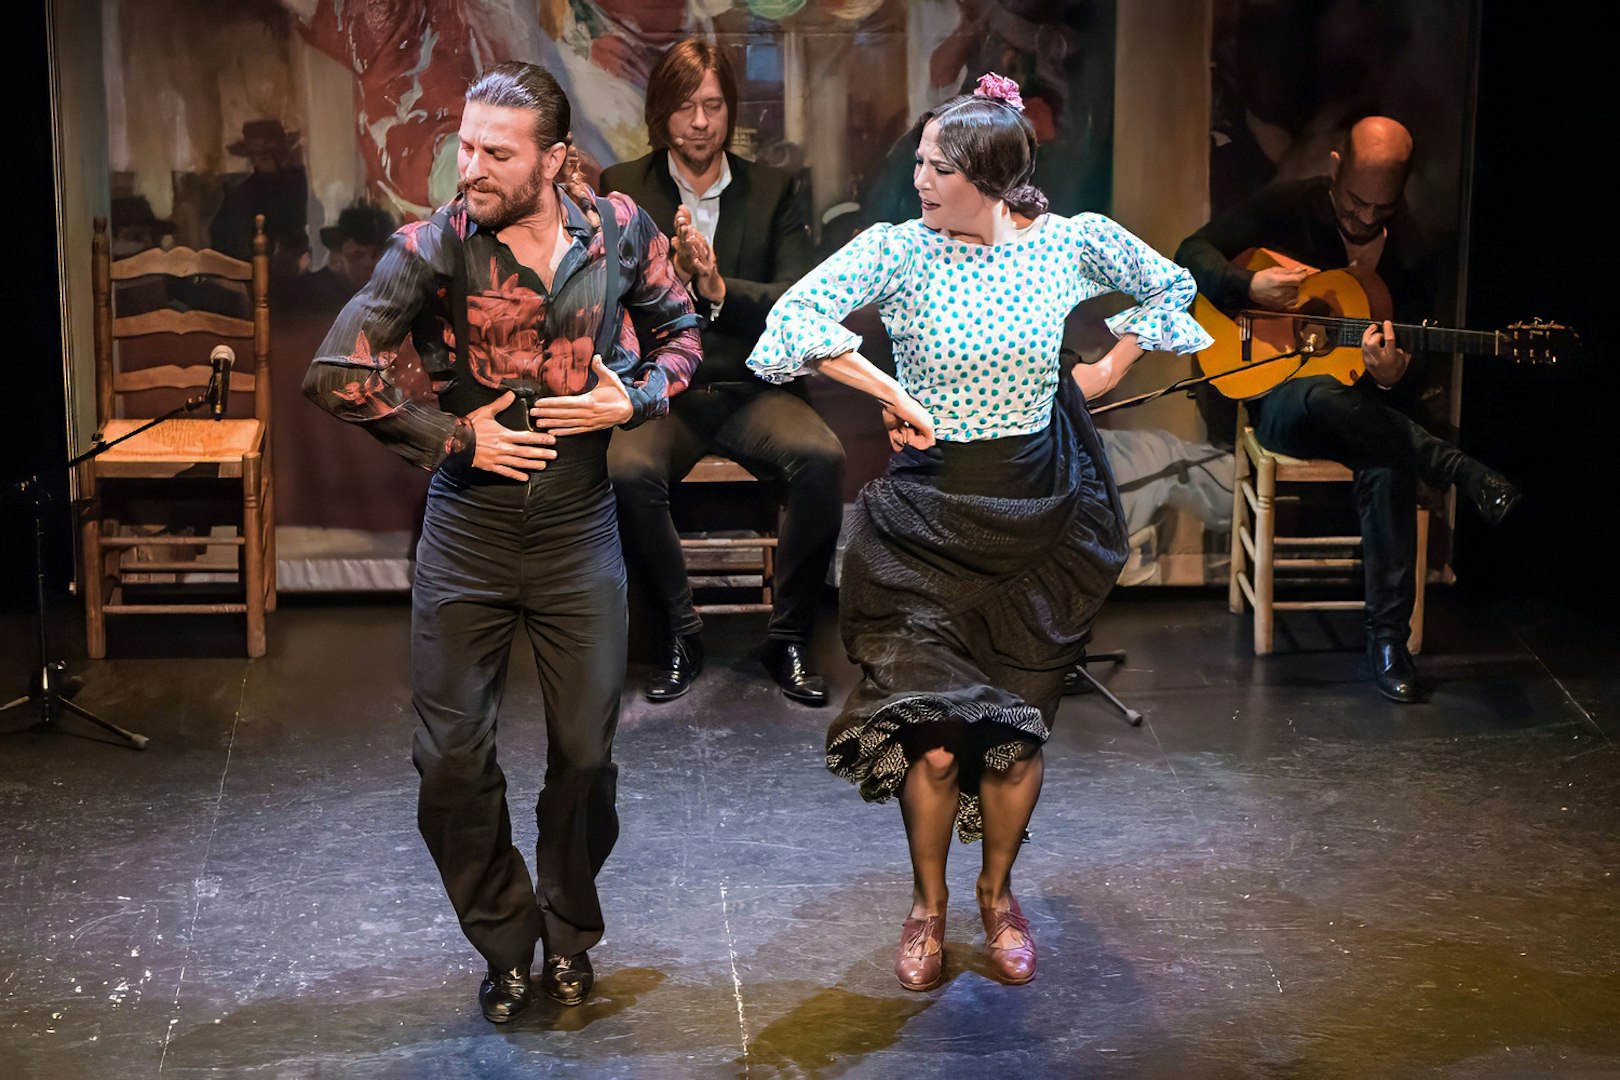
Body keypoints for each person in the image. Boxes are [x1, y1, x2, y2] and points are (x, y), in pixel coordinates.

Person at [747, 74, 1210, 991]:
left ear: (992, 179)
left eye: (940, 167)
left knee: (1015, 740)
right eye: (919, 161)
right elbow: (790, 319)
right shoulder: (900, 252)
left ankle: (998, 896)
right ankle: (928, 908)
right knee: (937, 738)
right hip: (925, 517)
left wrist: (1105, 367)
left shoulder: (1069, 245)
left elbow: (1173, 282)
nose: (920, 180)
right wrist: (889, 391)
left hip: (1035, 519)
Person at [302, 61, 701, 1022]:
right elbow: (331, 375)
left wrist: (636, 393)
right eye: (465, 144)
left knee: (585, 755)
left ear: (556, 160)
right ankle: (504, 935)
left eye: (495, 151)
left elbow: (683, 332)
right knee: (448, 760)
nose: (468, 166)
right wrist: (453, 435)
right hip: (470, 531)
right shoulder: (433, 244)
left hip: (576, 528)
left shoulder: (617, 232)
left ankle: (568, 929)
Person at [1174, 116, 1521, 704]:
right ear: (1336, 168)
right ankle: (1462, 469)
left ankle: (1388, 644)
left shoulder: (1412, 252)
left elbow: (1414, 375)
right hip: (1280, 403)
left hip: (1366, 415)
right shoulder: (1291, 205)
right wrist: (1248, 287)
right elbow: (1189, 253)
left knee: (1386, 457)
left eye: (1379, 208)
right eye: (1355, 201)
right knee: (1322, 396)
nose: (1363, 218)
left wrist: (1395, 374)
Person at [599, 40, 845, 706]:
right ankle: (681, 635)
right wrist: (664, 281)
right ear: (661, 113)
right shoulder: (623, 187)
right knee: (624, 470)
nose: (701, 123)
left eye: (713, 106)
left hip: (752, 387)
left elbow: (797, 297)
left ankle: (788, 637)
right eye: (685, 107)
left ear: (730, 110)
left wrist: (714, 285)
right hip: (666, 393)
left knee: (822, 457)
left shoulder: (772, 189)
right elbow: (605, 298)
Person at [211, 120, 310, 274]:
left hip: (297, 268)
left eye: (270, 153)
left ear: (283, 152)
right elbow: (222, 237)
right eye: (258, 155)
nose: (264, 159)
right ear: (251, 157)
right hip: (253, 272)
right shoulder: (241, 194)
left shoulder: (300, 182)